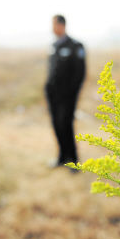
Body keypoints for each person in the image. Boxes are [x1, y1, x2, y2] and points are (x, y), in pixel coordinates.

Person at [45, 15, 86, 167]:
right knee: (56, 125)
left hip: (67, 97)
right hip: (53, 95)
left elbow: (80, 74)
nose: (52, 28)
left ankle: (73, 160)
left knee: (66, 125)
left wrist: (72, 95)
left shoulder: (76, 46)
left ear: (61, 25)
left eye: (54, 25)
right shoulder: (54, 46)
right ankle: (62, 157)